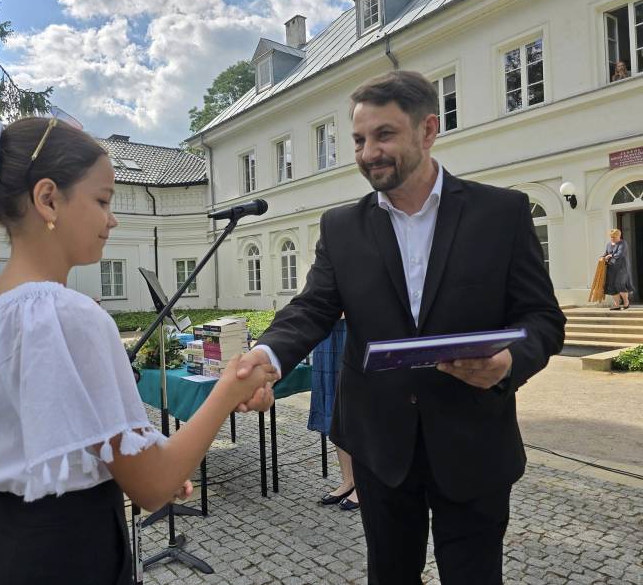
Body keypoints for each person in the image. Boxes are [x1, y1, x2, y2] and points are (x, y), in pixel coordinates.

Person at [235, 71, 565, 584]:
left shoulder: (501, 212)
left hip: (473, 441)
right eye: (359, 140)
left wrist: (508, 364)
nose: (368, 153)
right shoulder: (341, 226)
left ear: (428, 129)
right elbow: (313, 308)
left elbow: (543, 319)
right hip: (378, 442)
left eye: (384, 135)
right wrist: (268, 356)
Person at [0, 116, 276, 585]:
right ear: (48, 199)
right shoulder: (71, 316)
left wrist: (139, 468)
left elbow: (58, 447)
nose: (112, 219)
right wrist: (229, 389)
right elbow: (154, 487)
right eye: (102, 200)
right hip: (68, 559)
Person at [308, 317, 359, 510]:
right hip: (327, 331)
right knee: (333, 407)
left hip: (355, 329)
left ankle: (363, 485)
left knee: (356, 406)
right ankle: (348, 480)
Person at [603, 228, 633, 310]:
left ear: (619, 236)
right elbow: (606, 253)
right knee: (612, 286)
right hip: (611, 267)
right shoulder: (608, 244)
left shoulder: (623, 243)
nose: (612, 238)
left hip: (621, 268)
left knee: (619, 284)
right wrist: (602, 257)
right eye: (611, 237)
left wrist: (611, 255)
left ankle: (626, 303)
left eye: (614, 237)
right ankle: (616, 305)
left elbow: (620, 254)